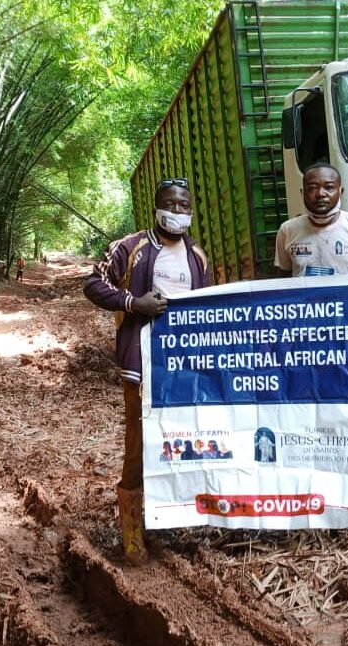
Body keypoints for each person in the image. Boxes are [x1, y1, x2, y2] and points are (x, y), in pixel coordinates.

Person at [83, 177, 210, 564]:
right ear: (156, 208)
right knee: (139, 442)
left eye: (184, 206)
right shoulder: (130, 247)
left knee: (180, 440)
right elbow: (92, 283)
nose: (177, 212)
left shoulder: (198, 257)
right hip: (141, 363)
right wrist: (133, 303)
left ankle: (165, 520)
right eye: (170, 205)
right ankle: (132, 532)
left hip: (184, 364)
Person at [274, 162, 348, 525]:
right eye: (312, 188)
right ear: (303, 192)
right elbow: (278, 284)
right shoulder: (289, 232)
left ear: (340, 191)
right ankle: (315, 499)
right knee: (306, 422)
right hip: (304, 347)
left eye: (328, 187)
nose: (320, 194)